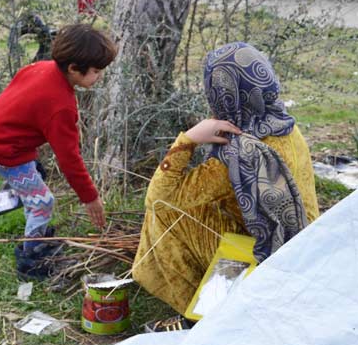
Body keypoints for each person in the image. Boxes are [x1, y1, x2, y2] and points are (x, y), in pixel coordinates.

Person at [132, 41, 319, 317]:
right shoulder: (284, 126)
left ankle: (198, 310)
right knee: (199, 204)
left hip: (265, 262)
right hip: (305, 252)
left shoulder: (239, 153)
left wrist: (187, 140)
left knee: (166, 212)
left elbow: (157, 198)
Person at [0, 23, 115, 280]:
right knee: (42, 202)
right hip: (4, 149)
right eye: (96, 71)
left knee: (35, 177)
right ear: (73, 68)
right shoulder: (61, 106)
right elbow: (69, 159)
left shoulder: (41, 68)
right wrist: (90, 197)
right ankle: (33, 258)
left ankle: (19, 193)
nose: (100, 76)